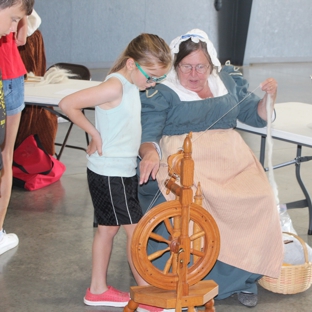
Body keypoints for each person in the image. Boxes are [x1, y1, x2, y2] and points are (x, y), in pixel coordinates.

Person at [138, 29, 284, 308]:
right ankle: (195, 278)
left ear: (211, 64)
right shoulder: (163, 91)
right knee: (196, 207)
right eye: (186, 66)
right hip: (186, 161)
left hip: (233, 161)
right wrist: (149, 155)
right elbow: (149, 134)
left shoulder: (227, 81)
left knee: (260, 198)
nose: (194, 73)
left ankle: (244, 280)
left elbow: (255, 116)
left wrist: (269, 98)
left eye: (200, 66)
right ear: (175, 65)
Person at [59, 33, 171, 309]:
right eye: (152, 76)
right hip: (112, 175)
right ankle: (146, 296)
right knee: (136, 234)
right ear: (132, 64)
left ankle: (97, 289)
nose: (153, 83)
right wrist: (93, 133)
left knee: (107, 230)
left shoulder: (131, 84)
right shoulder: (115, 86)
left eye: (159, 78)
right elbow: (66, 104)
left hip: (117, 171)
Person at [0, 0, 34, 256]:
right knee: (5, 156)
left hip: (9, 72)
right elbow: (21, 36)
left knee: (5, 156)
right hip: (8, 71)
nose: (12, 28)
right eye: (11, 19)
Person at [16, 8, 57, 156]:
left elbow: (21, 38)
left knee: (29, 99)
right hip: (16, 39)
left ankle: (30, 156)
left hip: (23, 40)